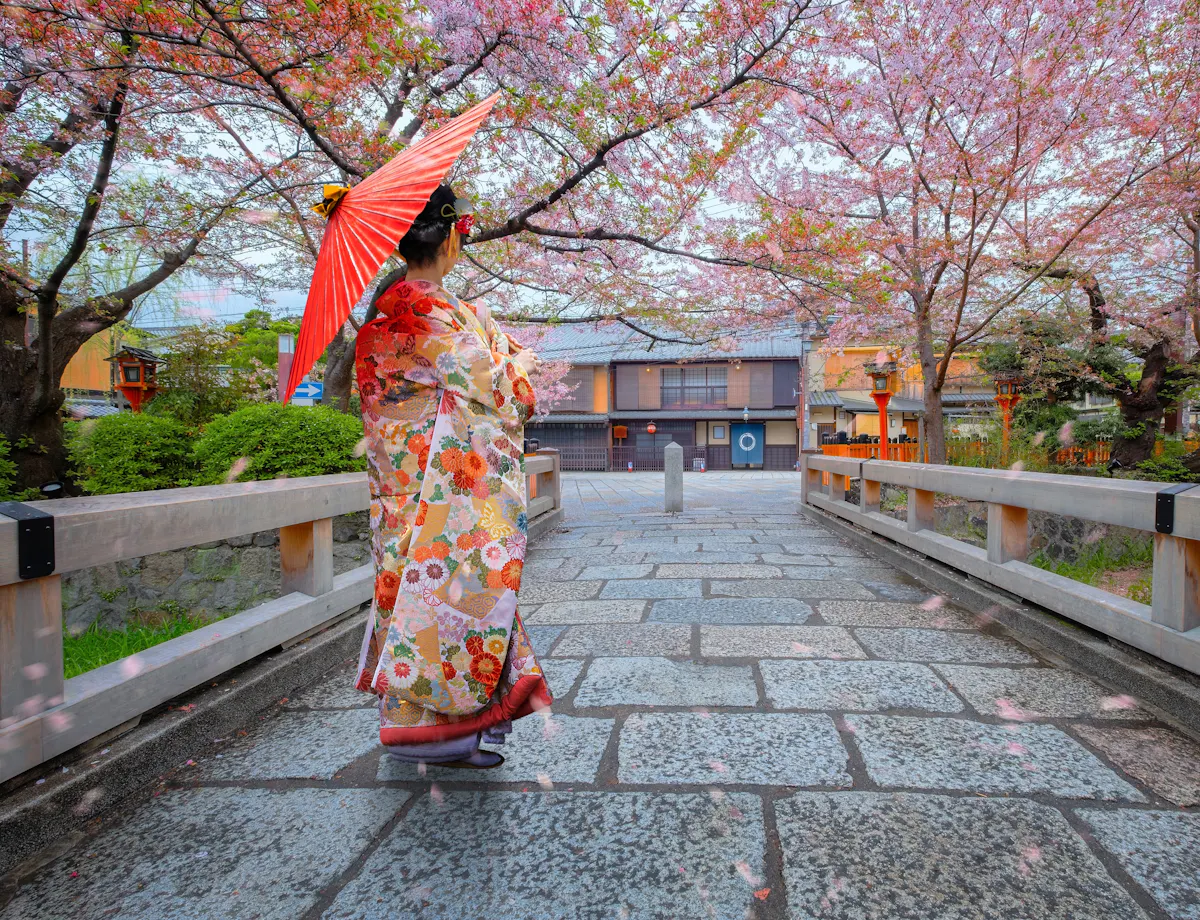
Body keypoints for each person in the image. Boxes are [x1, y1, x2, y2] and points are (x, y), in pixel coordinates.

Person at [353, 183, 551, 769]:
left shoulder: (383, 316)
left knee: (409, 599)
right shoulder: (436, 315)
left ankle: (415, 726)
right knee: (459, 600)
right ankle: (453, 736)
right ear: (451, 237)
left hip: (399, 488)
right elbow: (509, 392)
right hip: (444, 491)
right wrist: (517, 357)